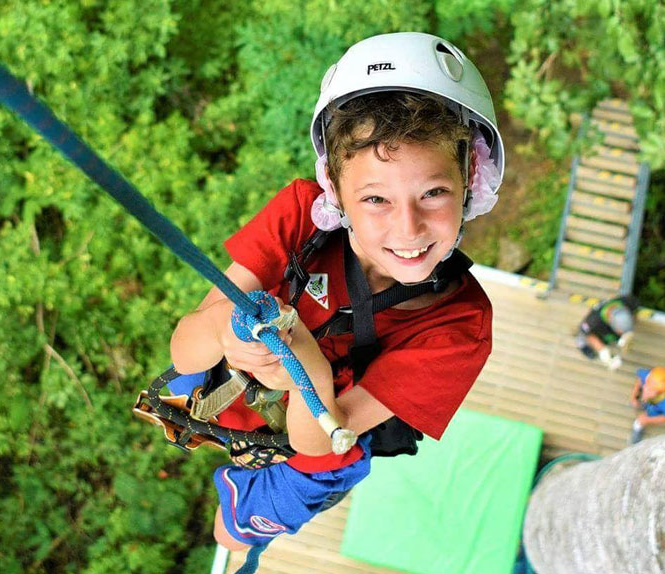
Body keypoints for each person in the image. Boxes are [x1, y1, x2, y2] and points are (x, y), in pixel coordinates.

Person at [167, 32, 505, 559]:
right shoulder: (301, 216)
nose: (409, 228)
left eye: (434, 192)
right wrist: (225, 330)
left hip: (322, 433)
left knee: (228, 533)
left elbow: (319, 440)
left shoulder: (461, 325)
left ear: (471, 180)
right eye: (375, 198)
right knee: (191, 371)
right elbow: (185, 346)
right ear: (336, 191)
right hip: (234, 382)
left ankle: (242, 502)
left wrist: (304, 361)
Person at [574, 295, 638, 370]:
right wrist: (603, 351)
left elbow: (635, 314)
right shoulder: (593, 321)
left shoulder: (628, 301)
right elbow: (589, 335)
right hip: (589, 329)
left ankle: (615, 339)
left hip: (607, 321)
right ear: (612, 323)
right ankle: (583, 346)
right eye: (620, 331)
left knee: (614, 337)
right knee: (582, 336)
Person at [629, 366, 665, 445]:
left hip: (657, 409)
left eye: (650, 390)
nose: (645, 389)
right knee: (644, 404)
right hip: (651, 404)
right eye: (646, 385)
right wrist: (634, 397)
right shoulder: (649, 377)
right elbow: (640, 380)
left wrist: (647, 420)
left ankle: (638, 430)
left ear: (660, 392)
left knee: (641, 421)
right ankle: (644, 406)